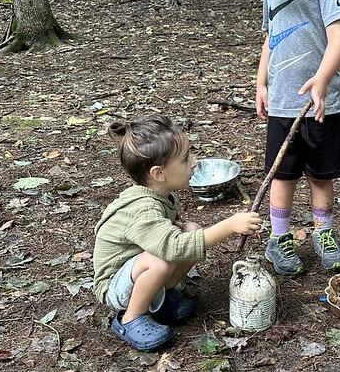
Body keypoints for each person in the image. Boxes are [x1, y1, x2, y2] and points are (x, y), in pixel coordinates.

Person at [239, 0, 340, 276]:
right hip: (284, 102)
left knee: (321, 173)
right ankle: (279, 237)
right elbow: (272, 36)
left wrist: (323, 78)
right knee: (282, 173)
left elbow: (339, 34)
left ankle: (324, 231)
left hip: (320, 103)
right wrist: (261, 82)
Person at [92, 115, 261, 351]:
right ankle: (130, 318)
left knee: (189, 230)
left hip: (136, 270)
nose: (194, 162)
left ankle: (161, 298)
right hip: (114, 286)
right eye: (185, 159)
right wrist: (229, 226)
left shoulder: (161, 195)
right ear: (158, 173)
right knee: (160, 260)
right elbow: (174, 247)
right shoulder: (143, 209)